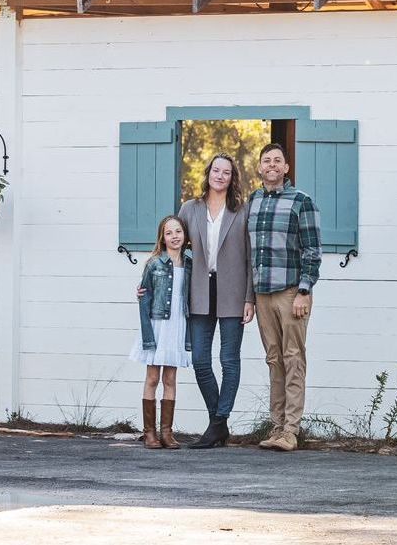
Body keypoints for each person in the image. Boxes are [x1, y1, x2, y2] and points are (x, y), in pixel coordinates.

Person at [247, 142, 321, 452]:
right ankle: (276, 427)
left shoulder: (301, 201)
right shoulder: (253, 201)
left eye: (278, 160)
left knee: (293, 358)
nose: (272, 165)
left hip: (291, 292)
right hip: (263, 294)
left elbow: (312, 249)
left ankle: (291, 430)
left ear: (286, 167)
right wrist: (249, 297)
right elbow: (248, 253)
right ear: (260, 167)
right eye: (267, 161)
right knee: (273, 359)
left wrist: (304, 290)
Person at [177, 154, 254, 449]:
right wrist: (153, 280)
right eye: (216, 170)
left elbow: (249, 259)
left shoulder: (242, 211)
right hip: (199, 290)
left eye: (227, 172)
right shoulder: (189, 208)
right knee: (200, 360)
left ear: (232, 178)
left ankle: (217, 423)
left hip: (233, 292)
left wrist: (250, 298)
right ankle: (218, 422)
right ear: (208, 173)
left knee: (229, 360)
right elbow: (173, 245)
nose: (220, 176)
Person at [129, 215, 192, 450]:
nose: (174, 236)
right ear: (162, 238)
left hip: (178, 325)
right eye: (169, 233)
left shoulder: (190, 264)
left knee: (170, 379)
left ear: (185, 235)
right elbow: (144, 299)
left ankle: (167, 432)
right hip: (157, 325)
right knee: (153, 378)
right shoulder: (154, 263)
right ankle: (149, 432)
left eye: (178, 231)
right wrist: (147, 335)